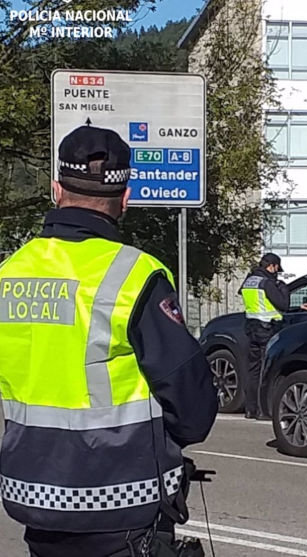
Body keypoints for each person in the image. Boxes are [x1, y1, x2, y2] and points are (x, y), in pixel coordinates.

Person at [0, 125, 219, 556]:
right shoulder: (135, 275)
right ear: (126, 195)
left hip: (32, 496)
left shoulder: (10, 273)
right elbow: (193, 410)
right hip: (119, 502)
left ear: (55, 188)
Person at [239, 253, 307, 419]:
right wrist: (282, 287)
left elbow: (263, 304)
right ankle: (262, 411)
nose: (277, 273)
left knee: (253, 371)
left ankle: (250, 409)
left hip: (251, 329)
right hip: (267, 330)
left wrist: (298, 307)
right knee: (266, 370)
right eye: (277, 269)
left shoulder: (249, 281)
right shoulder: (268, 283)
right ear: (271, 266)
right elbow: (283, 305)